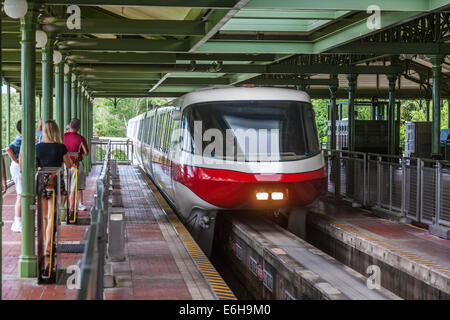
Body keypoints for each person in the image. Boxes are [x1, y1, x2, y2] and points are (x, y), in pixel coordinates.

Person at [36, 120, 72, 255]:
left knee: (44, 216)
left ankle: (46, 243)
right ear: (56, 131)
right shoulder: (61, 147)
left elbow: (35, 165)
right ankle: (48, 246)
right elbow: (68, 165)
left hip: (41, 180)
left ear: (44, 132)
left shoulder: (38, 147)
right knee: (52, 215)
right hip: (55, 179)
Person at [64, 118, 89, 220]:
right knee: (73, 189)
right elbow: (86, 152)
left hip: (65, 165)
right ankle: (71, 210)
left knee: (65, 188)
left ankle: (63, 209)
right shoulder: (80, 138)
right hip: (75, 165)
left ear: (69, 125)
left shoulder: (63, 137)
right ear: (78, 128)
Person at [5, 121, 23, 232]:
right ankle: (17, 223)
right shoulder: (20, 140)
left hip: (18, 167)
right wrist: (15, 160)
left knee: (21, 194)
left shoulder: (21, 139)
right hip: (17, 167)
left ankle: (19, 221)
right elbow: (8, 148)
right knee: (20, 195)